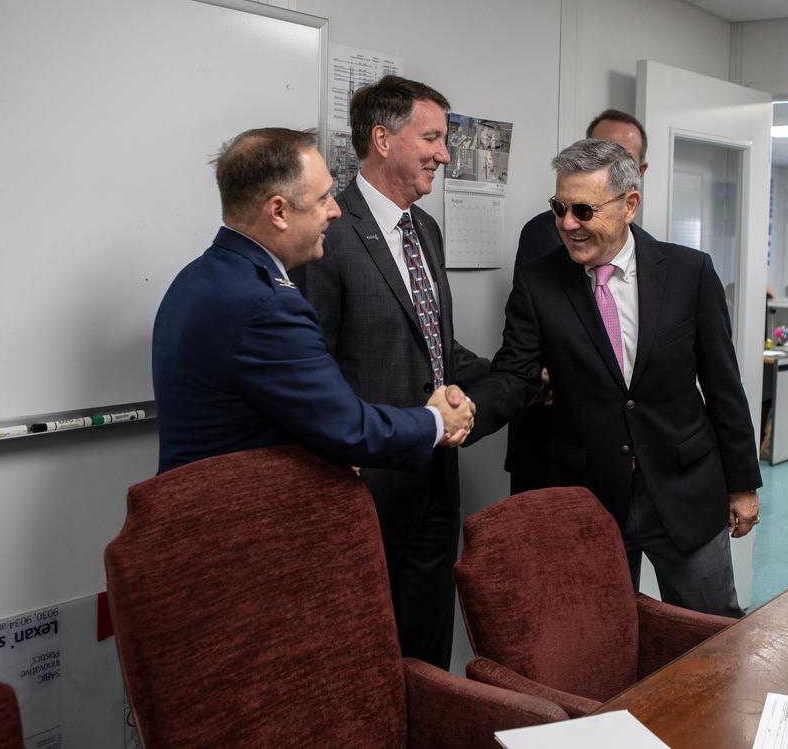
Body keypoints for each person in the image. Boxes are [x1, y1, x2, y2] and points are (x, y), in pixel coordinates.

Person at [471, 138, 761, 618]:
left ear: (630, 205)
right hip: (591, 494)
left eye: (583, 210)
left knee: (710, 636)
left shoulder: (689, 273)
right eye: (559, 208)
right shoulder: (539, 282)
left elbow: (723, 385)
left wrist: (743, 484)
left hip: (684, 488)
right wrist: (464, 416)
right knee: (601, 640)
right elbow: (515, 374)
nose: (567, 224)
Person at [296, 76, 489, 669]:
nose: (445, 154)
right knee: (362, 657)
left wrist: (521, 378)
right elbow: (314, 365)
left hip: (435, 479)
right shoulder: (328, 230)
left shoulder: (424, 229)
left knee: (427, 652)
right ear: (383, 139)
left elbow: (435, 346)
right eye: (431, 137)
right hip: (364, 489)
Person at [152, 127, 473, 475]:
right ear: (278, 211)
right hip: (242, 515)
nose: (335, 211)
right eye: (322, 199)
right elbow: (350, 428)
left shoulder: (195, 277)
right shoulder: (268, 304)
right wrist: (437, 421)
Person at [506, 108, 650, 495]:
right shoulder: (544, 244)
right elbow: (523, 356)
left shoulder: (667, 264)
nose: (570, 224)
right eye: (561, 209)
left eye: (621, 157)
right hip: (558, 442)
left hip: (636, 462)